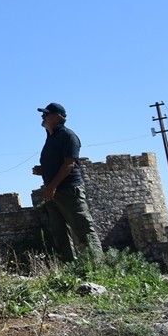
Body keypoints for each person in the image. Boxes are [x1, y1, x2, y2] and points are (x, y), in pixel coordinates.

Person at [32, 103, 104, 264]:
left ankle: (99, 267)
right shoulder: (51, 138)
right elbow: (58, 164)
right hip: (53, 192)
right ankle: (71, 267)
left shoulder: (68, 136)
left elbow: (69, 164)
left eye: (46, 114)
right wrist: (43, 170)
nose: (43, 117)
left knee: (83, 229)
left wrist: (52, 186)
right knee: (59, 233)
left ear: (58, 117)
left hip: (69, 190)